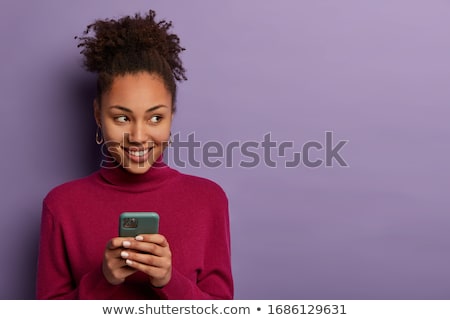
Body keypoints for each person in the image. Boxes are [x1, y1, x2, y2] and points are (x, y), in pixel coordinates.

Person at [36, 10, 234, 300]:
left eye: (155, 118)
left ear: (172, 116)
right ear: (98, 114)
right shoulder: (61, 205)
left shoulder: (209, 199)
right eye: (122, 118)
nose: (139, 137)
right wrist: (103, 280)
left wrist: (168, 280)